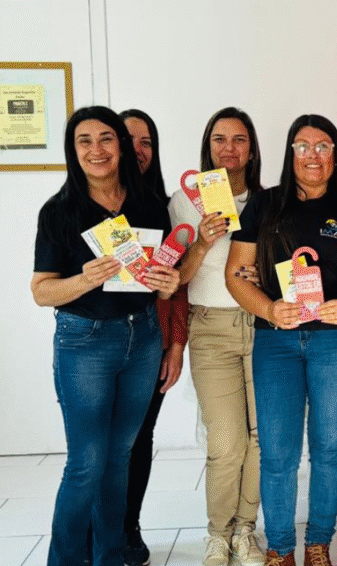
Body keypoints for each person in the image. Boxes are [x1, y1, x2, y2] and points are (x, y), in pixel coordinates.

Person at [226, 114, 337, 566]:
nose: (312, 155)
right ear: (289, 153)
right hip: (276, 344)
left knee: (330, 447)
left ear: (336, 155)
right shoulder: (264, 206)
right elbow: (236, 275)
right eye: (302, 146)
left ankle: (318, 543)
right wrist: (269, 308)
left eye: (323, 145)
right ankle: (279, 548)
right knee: (277, 452)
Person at [31, 106, 180, 566]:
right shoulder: (59, 212)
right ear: (72, 151)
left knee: (119, 459)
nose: (96, 149)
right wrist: (85, 279)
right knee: (86, 465)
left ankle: (111, 556)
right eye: (84, 141)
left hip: (143, 338)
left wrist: (169, 282)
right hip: (86, 344)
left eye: (106, 139)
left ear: (120, 145)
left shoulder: (149, 206)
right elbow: (41, 291)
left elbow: (164, 274)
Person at [170, 107, 266, 566]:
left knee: (261, 438)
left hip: (263, 327)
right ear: (208, 147)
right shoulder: (186, 201)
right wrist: (204, 241)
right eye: (219, 139)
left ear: (251, 148)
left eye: (239, 139)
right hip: (210, 327)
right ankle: (217, 533)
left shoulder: (268, 200)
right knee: (226, 441)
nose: (229, 148)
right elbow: (176, 278)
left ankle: (246, 530)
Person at [117, 108, 190, 566]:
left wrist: (176, 344)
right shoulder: (86, 208)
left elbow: (177, 284)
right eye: (130, 140)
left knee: (139, 438)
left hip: (153, 342)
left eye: (147, 142)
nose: (138, 150)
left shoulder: (163, 211)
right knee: (101, 446)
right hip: (98, 346)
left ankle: (128, 528)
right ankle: (97, 530)